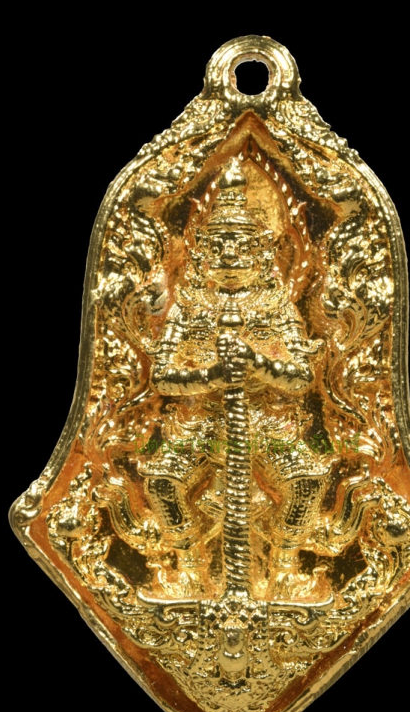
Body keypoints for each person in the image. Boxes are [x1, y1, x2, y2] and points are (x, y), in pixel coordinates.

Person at [139, 158, 330, 600]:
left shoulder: (275, 305)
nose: (229, 256)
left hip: (266, 424)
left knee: (307, 481)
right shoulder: (189, 306)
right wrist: (212, 375)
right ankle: (189, 565)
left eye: (240, 245)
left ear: (261, 252)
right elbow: (163, 377)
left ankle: (283, 567)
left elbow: (301, 376)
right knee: (162, 481)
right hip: (203, 424)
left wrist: (258, 365)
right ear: (202, 252)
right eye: (219, 245)